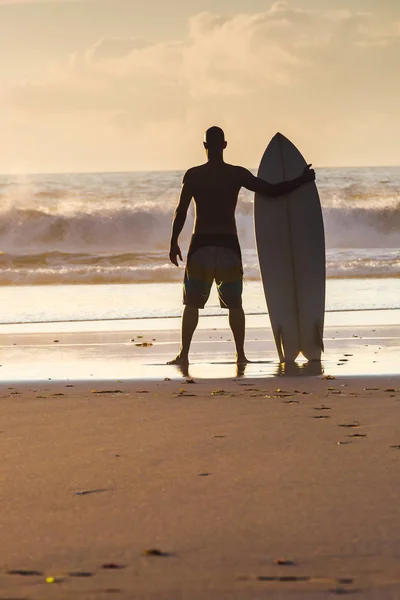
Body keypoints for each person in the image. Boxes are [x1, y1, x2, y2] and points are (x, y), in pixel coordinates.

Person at [167, 126, 315, 370]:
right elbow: (270, 190)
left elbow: (181, 211)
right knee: (235, 305)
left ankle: (184, 355)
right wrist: (301, 180)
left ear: (204, 146)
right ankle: (240, 355)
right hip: (228, 247)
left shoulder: (193, 175)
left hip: (201, 246)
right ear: (224, 145)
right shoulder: (236, 175)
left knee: (191, 304)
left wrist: (173, 242)